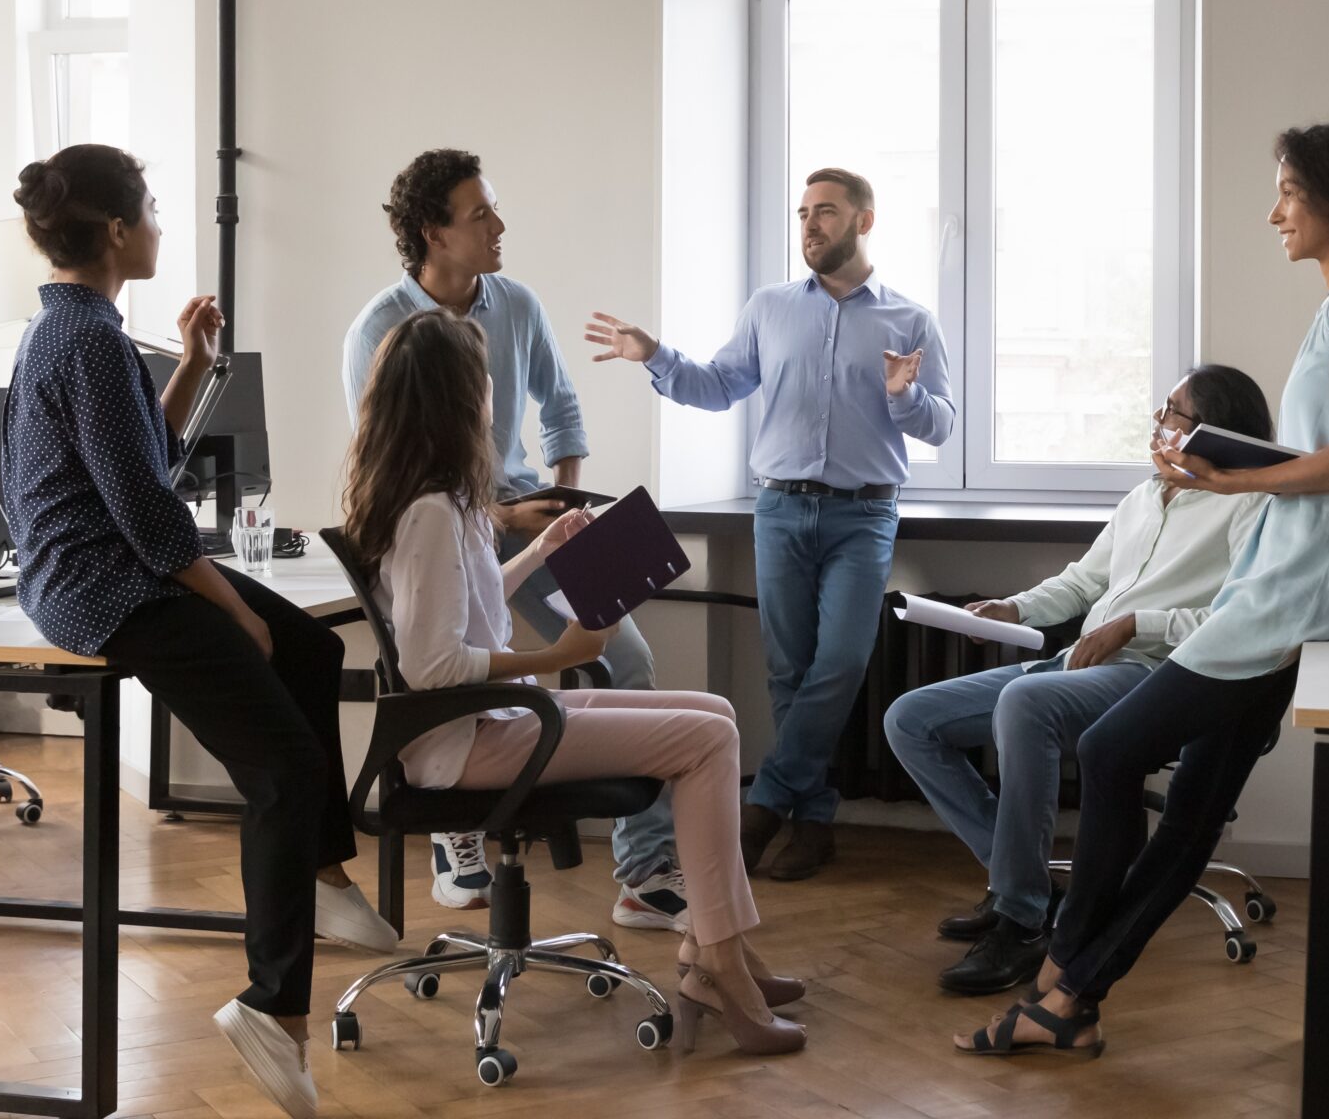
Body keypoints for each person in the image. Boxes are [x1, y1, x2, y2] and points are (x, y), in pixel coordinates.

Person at [956, 121, 1329, 1059]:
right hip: (1320, 593)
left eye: (1287, 193)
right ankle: (1067, 998)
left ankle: (1063, 970)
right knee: (1193, 807)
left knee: (1110, 752)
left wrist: (1232, 481)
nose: (1274, 211)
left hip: (1289, 601)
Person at [891, 368, 1329, 998]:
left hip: (1157, 676)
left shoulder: (1253, 508)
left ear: (1213, 431)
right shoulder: (1142, 497)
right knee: (910, 721)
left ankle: (1021, 918)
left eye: (1173, 414)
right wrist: (1013, 608)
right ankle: (1019, 882)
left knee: (1026, 703)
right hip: (1078, 664)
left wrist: (1137, 625)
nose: (1159, 426)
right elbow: (1083, 582)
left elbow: (1238, 619)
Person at [0, 143, 397, 1119]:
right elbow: (144, 510)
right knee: (284, 771)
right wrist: (228, 611)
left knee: (311, 644)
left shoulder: (81, 328)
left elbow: (148, 461)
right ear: (117, 232)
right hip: (104, 587)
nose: (162, 226)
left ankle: (319, 868)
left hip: (117, 565)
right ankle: (271, 1009)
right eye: (152, 210)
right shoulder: (86, 340)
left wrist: (190, 369)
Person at [341, 308, 806, 1057]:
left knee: (716, 713)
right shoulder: (431, 510)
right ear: (458, 399)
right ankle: (716, 959)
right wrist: (555, 658)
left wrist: (538, 551)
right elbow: (433, 668)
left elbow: (469, 600)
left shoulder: (443, 499)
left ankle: (720, 950)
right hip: (468, 741)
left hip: (487, 722)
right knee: (710, 738)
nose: (495, 395)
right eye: (485, 382)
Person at [340, 149, 685, 931]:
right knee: (451, 674)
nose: (499, 227)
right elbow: (387, 479)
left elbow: (563, 411)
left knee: (625, 658)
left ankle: (642, 871)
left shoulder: (517, 304)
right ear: (434, 234)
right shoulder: (379, 331)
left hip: (526, 517)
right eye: (480, 215)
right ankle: (455, 830)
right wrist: (494, 520)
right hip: (445, 531)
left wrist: (559, 498)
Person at [587, 167, 954, 881]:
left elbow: (939, 424)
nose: (810, 225)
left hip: (865, 513)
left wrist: (903, 398)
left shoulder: (909, 320)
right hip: (781, 508)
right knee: (789, 672)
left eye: (825, 212)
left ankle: (765, 806)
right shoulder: (770, 307)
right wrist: (654, 354)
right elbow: (719, 386)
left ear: (864, 222)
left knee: (842, 662)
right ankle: (812, 824)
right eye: (803, 213)